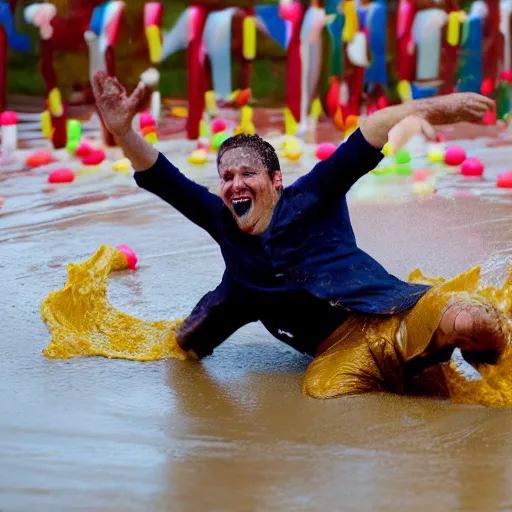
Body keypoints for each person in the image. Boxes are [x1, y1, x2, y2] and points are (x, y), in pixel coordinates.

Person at [91, 70, 508, 399]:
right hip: (343, 355)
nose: (235, 184)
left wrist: (439, 107)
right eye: (227, 176)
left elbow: (375, 127)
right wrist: (124, 133)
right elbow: (162, 176)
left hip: (395, 311)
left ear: (275, 180)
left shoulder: (313, 193)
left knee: (470, 319)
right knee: (323, 395)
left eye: (247, 173)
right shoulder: (223, 226)